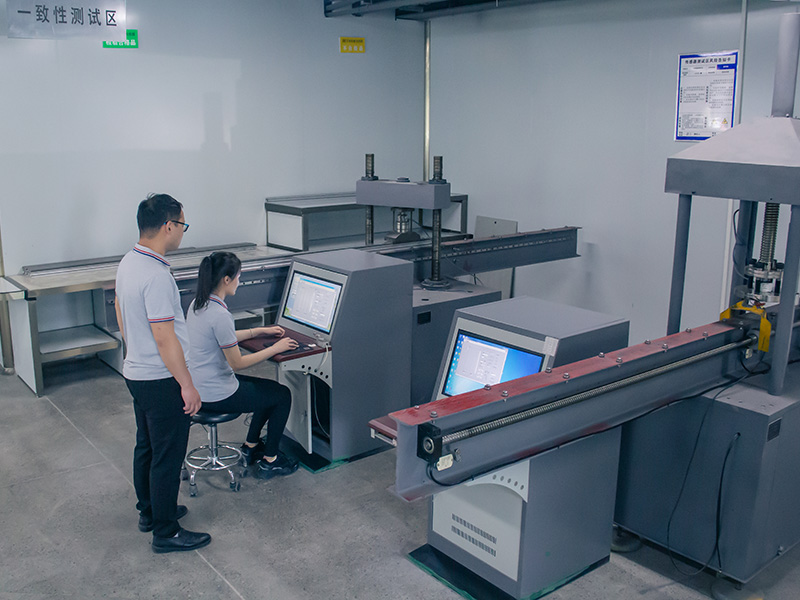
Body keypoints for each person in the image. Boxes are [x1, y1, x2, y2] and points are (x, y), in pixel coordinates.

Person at [115, 193, 212, 553]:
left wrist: (133, 349)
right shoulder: (156, 276)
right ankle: (166, 532)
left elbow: (119, 307)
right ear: (169, 226)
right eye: (183, 224)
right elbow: (164, 337)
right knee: (167, 456)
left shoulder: (129, 261)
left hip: (136, 372)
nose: (183, 231)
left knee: (147, 446)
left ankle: (150, 512)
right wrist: (187, 384)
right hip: (159, 379)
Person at [186, 251, 299, 479]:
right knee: (281, 395)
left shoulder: (197, 305)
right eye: (238, 276)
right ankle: (271, 461)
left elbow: (222, 337)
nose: (240, 280)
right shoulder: (220, 315)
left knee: (265, 390)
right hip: (218, 394)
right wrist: (275, 348)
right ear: (226, 279)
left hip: (200, 387)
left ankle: (250, 447)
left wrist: (258, 331)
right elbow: (237, 363)